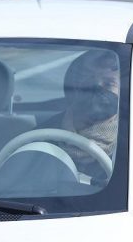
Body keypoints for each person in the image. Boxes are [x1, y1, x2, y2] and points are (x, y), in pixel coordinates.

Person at [42, 48, 121, 177]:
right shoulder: (43, 135)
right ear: (74, 87)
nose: (96, 87)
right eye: (88, 81)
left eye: (109, 83)